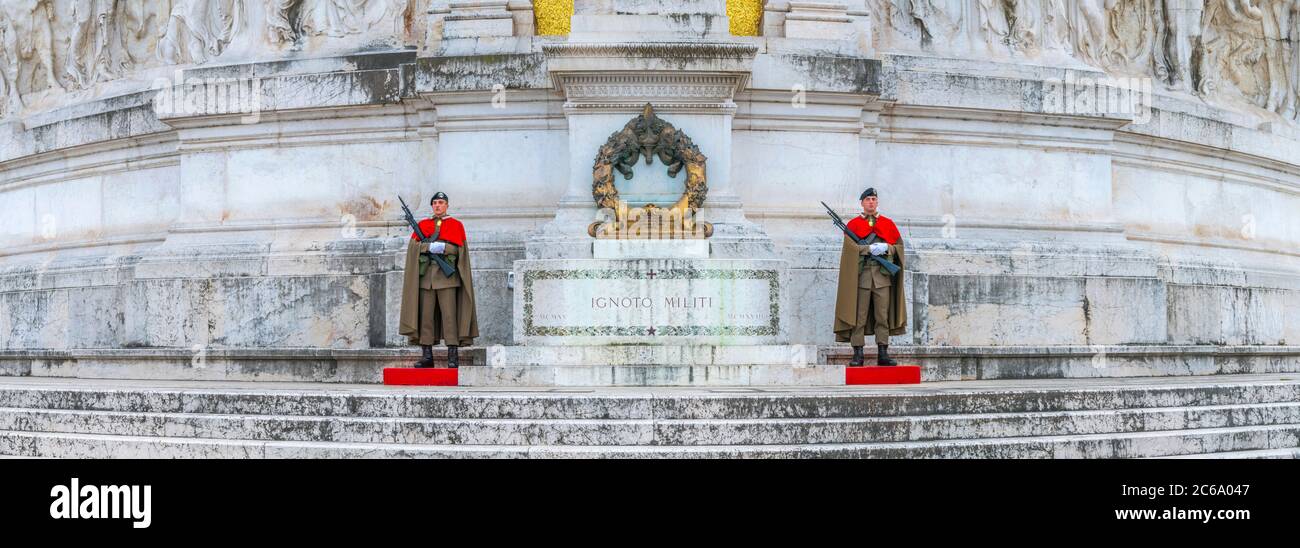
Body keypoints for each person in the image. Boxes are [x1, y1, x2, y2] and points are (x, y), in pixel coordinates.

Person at [398, 192, 478, 368]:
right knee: (426, 317)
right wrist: (429, 246)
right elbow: (414, 247)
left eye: (441, 202)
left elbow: (460, 251)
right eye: (434, 203)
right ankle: (427, 356)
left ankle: (452, 355)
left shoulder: (456, 225)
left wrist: (444, 248)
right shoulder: (424, 224)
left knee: (450, 317)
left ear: (447, 205)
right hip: (426, 279)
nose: (438, 206)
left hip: (447, 279)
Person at [832, 188, 908, 366]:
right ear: (862, 203)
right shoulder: (853, 225)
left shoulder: (888, 224)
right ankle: (858, 354)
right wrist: (868, 249)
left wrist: (886, 248)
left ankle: (883, 353)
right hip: (863, 277)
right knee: (860, 316)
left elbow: (899, 247)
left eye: (874, 199)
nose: (871, 202)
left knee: (882, 316)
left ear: (877, 202)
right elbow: (850, 250)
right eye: (868, 199)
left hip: (882, 278)